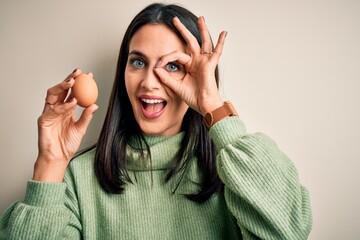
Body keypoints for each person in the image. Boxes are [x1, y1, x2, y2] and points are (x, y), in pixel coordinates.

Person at [0, 3, 312, 240]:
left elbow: (290, 230)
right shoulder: (78, 180)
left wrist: (213, 107)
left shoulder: (232, 173)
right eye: (138, 62)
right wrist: (50, 163)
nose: (150, 82)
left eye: (173, 66)